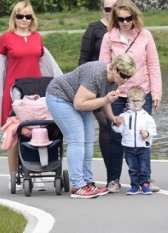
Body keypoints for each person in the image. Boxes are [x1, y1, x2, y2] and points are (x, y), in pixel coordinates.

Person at [0, 1, 62, 190]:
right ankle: (14, 176)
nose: (23, 20)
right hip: (14, 92)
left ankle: (36, 174)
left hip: (37, 90)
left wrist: (59, 88)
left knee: (39, 131)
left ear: (32, 18)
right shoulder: (6, 38)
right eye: (19, 16)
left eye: (27, 16)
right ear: (14, 18)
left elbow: (48, 65)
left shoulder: (37, 37)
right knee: (13, 133)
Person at [45, 54, 137, 198]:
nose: (125, 80)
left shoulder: (114, 79)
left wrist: (112, 117)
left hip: (79, 101)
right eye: (123, 75)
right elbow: (79, 104)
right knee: (76, 139)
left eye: (128, 77)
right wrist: (105, 99)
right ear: (114, 68)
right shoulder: (95, 74)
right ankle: (78, 186)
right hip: (61, 98)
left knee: (88, 140)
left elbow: (104, 98)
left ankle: (87, 182)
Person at [99, 0, 162, 193]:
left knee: (143, 136)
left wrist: (157, 92)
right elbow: (103, 67)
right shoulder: (109, 38)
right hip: (118, 94)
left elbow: (153, 64)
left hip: (142, 92)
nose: (125, 22)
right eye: (121, 19)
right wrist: (106, 94)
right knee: (116, 136)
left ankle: (145, 179)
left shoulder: (145, 36)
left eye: (129, 18)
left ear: (135, 17)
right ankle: (114, 179)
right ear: (115, 20)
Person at [78, 0, 120, 173]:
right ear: (103, 9)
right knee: (105, 124)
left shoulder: (125, 27)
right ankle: (111, 171)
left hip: (118, 85)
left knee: (125, 125)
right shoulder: (94, 29)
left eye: (115, 8)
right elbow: (83, 60)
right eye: (108, 9)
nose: (111, 13)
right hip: (95, 86)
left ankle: (138, 172)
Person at [111, 85, 157, 195]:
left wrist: (147, 133)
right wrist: (116, 123)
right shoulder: (124, 116)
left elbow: (153, 130)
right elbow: (119, 130)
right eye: (133, 101)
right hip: (129, 147)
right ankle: (135, 186)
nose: (136, 103)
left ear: (143, 102)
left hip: (143, 147)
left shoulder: (147, 117)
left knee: (144, 168)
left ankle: (145, 185)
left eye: (139, 101)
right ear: (128, 101)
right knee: (133, 168)